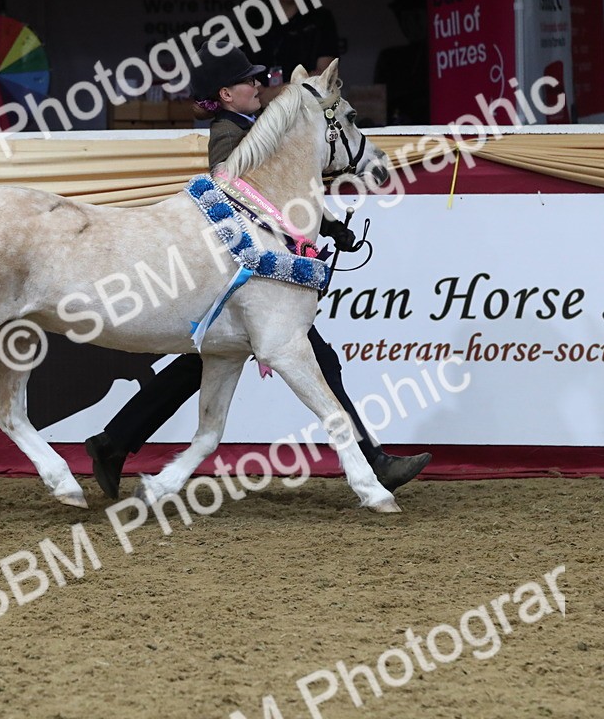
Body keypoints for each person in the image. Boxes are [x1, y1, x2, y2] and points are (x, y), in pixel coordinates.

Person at [85, 41, 431, 499]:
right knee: (315, 360)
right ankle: (372, 463)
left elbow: (285, 195)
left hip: (251, 279)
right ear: (226, 94)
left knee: (197, 367)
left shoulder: (251, 125)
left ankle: (114, 442)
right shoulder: (229, 133)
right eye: (248, 79)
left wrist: (328, 226)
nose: (258, 84)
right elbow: (243, 193)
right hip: (240, 275)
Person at [251, 0, 342, 106]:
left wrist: (276, 93)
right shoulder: (253, 19)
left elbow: (325, 76)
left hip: (308, 108)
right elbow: (242, 75)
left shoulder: (321, 18)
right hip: (260, 110)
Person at [373, 0, 430, 125]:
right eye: (403, 18)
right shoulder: (391, 59)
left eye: (416, 17)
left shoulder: (447, 58)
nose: (409, 25)